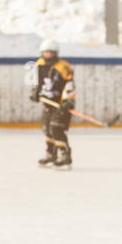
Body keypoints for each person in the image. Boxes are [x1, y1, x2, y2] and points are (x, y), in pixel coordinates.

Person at [30, 38, 75, 169]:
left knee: (56, 128)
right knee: (46, 128)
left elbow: (70, 85)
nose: (48, 55)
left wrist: (68, 100)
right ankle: (51, 154)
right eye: (46, 52)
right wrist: (35, 93)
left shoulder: (63, 67)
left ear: (56, 53)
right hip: (48, 103)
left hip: (61, 104)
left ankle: (65, 156)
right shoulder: (39, 64)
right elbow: (38, 82)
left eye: (51, 52)